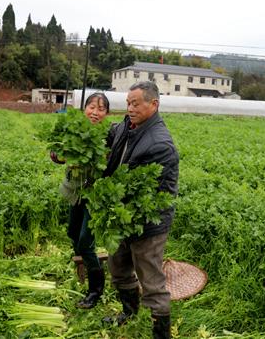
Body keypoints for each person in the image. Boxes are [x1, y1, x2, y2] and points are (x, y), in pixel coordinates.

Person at [102, 81, 179, 339]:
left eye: (135, 103)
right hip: (123, 216)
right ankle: (129, 312)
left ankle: (161, 334)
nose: (130, 108)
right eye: (128, 103)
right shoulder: (128, 124)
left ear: (153, 104)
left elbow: (149, 196)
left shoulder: (160, 144)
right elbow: (111, 137)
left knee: (152, 281)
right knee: (118, 266)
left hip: (147, 223)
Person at [51, 92, 112, 309]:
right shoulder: (73, 129)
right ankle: (84, 266)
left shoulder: (110, 135)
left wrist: (103, 158)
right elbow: (55, 153)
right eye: (92, 107)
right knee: (72, 233)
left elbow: (113, 162)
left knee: (86, 244)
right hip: (75, 191)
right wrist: (61, 155)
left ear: (107, 113)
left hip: (95, 196)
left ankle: (95, 291)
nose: (95, 112)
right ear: (84, 109)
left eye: (101, 108)